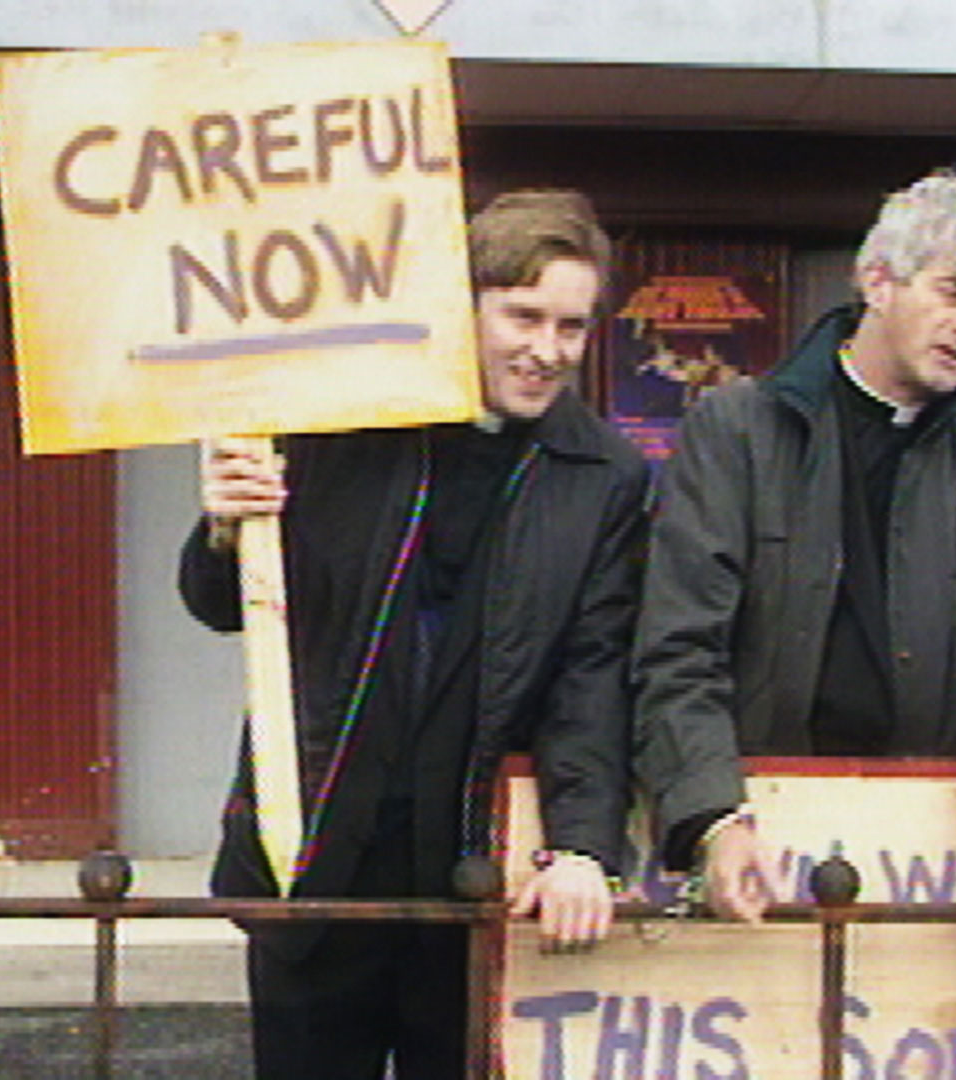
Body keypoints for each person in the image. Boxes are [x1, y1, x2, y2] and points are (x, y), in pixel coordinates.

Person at [179, 189, 647, 1077]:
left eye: (572, 327)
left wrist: (585, 846)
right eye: (523, 316)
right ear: (462, 306)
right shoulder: (336, 424)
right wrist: (224, 528)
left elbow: (591, 679)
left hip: (474, 875)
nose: (548, 350)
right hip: (316, 856)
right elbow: (219, 605)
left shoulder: (604, 474)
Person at [632, 170, 956, 939]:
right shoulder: (737, 435)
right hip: (754, 846)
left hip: (936, 861)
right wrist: (712, 815)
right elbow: (677, 648)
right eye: (954, 293)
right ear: (878, 281)